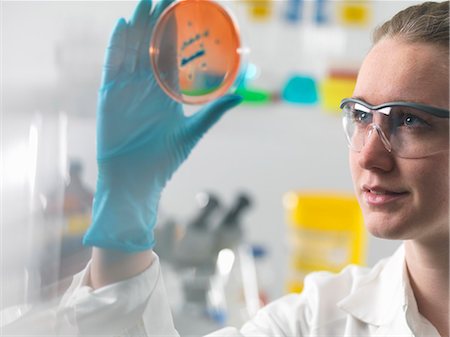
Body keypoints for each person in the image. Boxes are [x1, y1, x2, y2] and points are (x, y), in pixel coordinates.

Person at [2, 0, 448, 336]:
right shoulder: (315, 323)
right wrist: (125, 207)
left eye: (409, 120)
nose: (370, 155)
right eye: (361, 115)